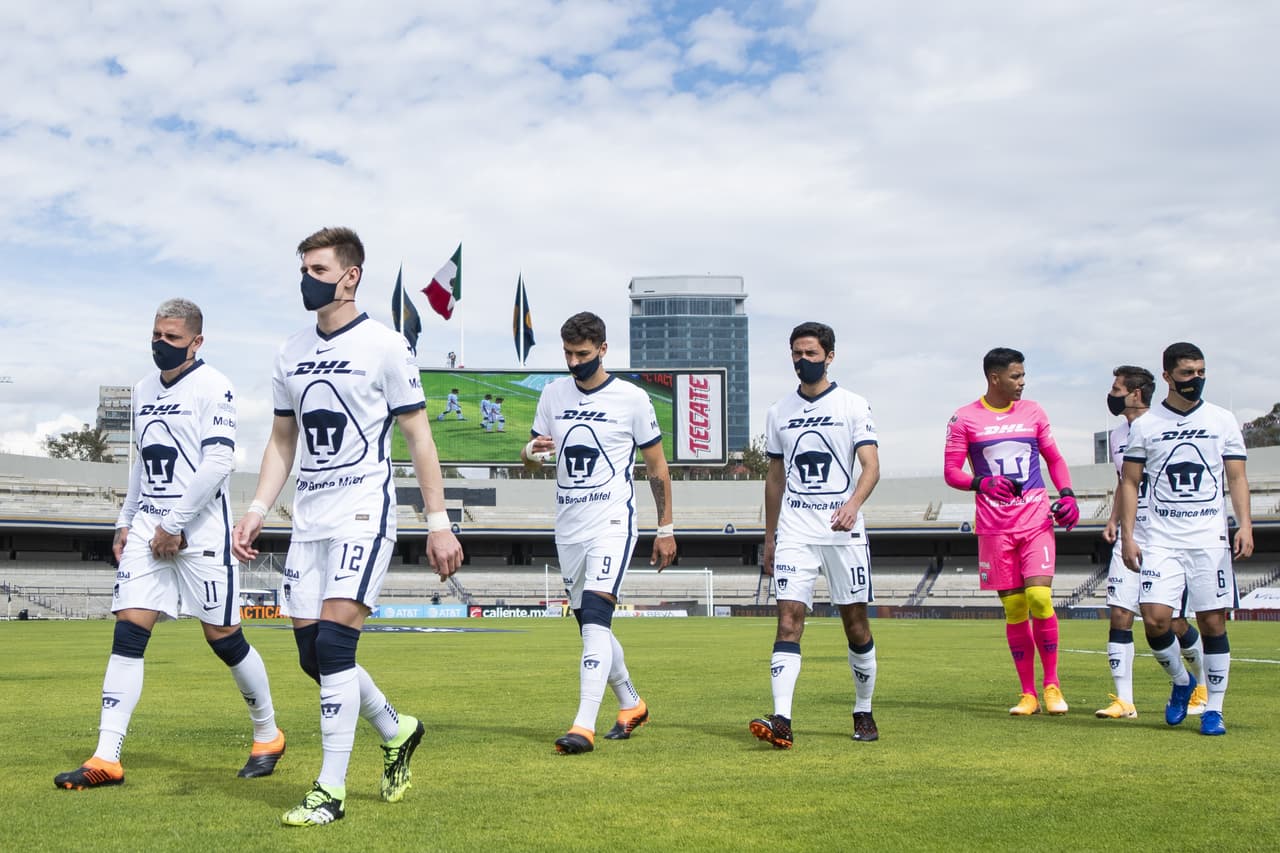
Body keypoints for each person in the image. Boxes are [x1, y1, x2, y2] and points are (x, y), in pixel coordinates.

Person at [231, 227, 464, 825]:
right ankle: (397, 727)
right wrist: (258, 508)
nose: (306, 280)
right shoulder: (289, 351)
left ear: (350, 276)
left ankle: (329, 791)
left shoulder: (386, 346)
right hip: (308, 517)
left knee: (336, 645)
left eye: (317, 269)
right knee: (314, 657)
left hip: (364, 509)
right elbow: (283, 440)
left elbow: (419, 438)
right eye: (303, 269)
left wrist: (438, 523)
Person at [55, 298, 284, 790]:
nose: (160, 344)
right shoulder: (142, 389)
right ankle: (106, 757)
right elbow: (141, 462)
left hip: (199, 533)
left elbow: (217, 465)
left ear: (196, 342)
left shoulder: (214, 386)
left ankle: (268, 735)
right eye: (156, 335)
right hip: (148, 528)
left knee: (223, 639)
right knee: (129, 631)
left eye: (172, 338)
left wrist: (176, 524)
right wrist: (127, 520)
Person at [520, 311, 675, 755]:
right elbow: (531, 460)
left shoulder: (632, 399)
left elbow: (657, 466)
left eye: (582, 354)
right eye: (568, 353)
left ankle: (582, 726)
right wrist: (531, 451)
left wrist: (666, 528)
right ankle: (631, 703)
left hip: (612, 523)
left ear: (603, 350)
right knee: (589, 625)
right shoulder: (552, 395)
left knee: (595, 620)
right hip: (567, 525)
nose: (573, 362)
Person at [749, 321, 882, 749]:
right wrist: (770, 537)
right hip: (795, 532)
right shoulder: (778, 411)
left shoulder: (854, 405)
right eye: (796, 353)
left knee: (855, 625)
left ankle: (863, 709)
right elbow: (774, 479)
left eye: (810, 353)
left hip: (843, 533)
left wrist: (853, 505)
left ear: (829, 355)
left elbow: (872, 466)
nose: (802, 361)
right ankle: (782, 719)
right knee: (788, 622)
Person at [1118, 342, 1252, 736]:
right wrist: (1128, 536)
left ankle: (1215, 709)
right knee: (1156, 621)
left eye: (1200, 372)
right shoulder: (1146, 425)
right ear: (1167, 377)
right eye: (1187, 373)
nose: (1196, 380)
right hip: (1160, 540)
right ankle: (1181, 681)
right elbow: (1129, 482)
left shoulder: (1222, 420)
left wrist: (1244, 524)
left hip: (1209, 540)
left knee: (1213, 624)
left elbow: (1237, 476)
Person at [944, 347, 1079, 715]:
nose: (1022, 382)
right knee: (1016, 608)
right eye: (1016, 377)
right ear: (995, 378)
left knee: (1039, 598)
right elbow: (951, 471)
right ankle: (1028, 693)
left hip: (1035, 519)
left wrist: (1067, 493)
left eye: (1023, 376)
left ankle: (1052, 685)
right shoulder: (964, 419)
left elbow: (1054, 458)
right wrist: (981, 484)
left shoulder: (1034, 412)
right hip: (994, 527)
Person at [1096, 366, 1207, 719]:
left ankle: (1198, 683)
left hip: (1165, 538)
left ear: (1136, 393)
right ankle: (1124, 701)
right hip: (1130, 535)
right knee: (1119, 615)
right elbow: (1124, 481)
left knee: (1171, 623)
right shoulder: (1116, 436)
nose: (1111, 395)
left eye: (1116, 389)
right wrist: (1115, 520)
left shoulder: (1164, 426)